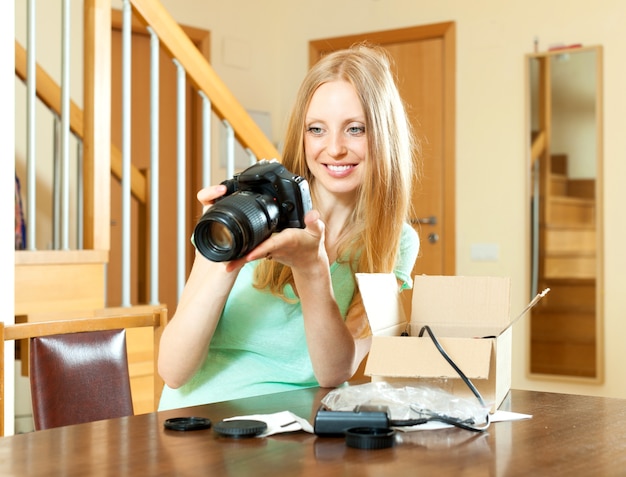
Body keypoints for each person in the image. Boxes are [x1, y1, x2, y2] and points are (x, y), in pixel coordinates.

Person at [157, 43, 420, 410]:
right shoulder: (252, 211)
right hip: (202, 421)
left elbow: (333, 372)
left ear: (384, 134)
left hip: (295, 429)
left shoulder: (394, 241)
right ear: (302, 135)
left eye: (355, 129)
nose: (335, 148)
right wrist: (228, 251)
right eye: (317, 129)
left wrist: (311, 268)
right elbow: (173, 371)